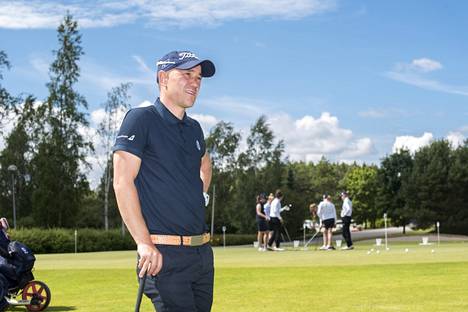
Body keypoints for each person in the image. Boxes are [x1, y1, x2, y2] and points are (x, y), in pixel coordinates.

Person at [113, 50, 215, 311]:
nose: (195, 82)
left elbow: (205, 163)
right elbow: (122, 182)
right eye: (187, 74)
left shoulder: (194, 128)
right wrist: (144, 243)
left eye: (199, 78)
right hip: (162, 256)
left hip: (201, 255)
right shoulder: (141, 119)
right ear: (163, 78)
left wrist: (198, 195)